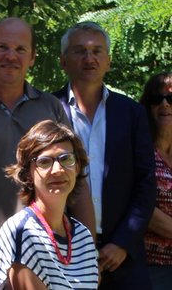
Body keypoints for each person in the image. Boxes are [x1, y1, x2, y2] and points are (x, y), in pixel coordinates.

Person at [0, 17, 94, 259]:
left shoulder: (50, 107)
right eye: (2, 47)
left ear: (32, 57)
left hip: (47, 256)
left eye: (20, 49)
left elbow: (77, 179)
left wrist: (88, 251)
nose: (11, 56)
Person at [53, 21, 156, 289]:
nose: (89, 58)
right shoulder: (48, 110)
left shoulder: (132, 113)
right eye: (79, 51)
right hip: (62, 252)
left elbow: (146, 183)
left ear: (108, 61)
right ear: (63, 61)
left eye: (97, 51)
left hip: (124, 256)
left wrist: (123, 242)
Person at [0, 120, 99, 289]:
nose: (58, 169)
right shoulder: (21, 232)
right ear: (28, 173)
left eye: (66, 159)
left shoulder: (83, 237)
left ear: (77, 167)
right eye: (44, 162)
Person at [139, 73, 172, 290]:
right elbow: (142, 209)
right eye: (156, 99)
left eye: (171, 99)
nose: (165, 104)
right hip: (154, 267)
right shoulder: (140, 150)